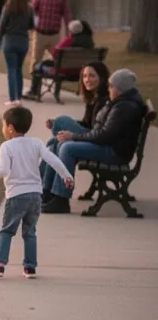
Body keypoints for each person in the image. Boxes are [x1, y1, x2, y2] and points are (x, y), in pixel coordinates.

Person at [0, 106, 73, 279]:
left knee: (7, 230)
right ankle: (30, 267)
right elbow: (53, 159)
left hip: (16, 195)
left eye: (3, 126)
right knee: (30, 232)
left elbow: (2, 170)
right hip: (35, 195)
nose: (3, 129)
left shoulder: (7, 147)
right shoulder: (36, 143)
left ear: (11, 128)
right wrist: (66, 175)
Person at [41, 69, 148, 214]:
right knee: (58, 143)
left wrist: (74, 136)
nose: (109, 89)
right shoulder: (121, 102)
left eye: (112, 86)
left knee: (66, 148)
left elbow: (104, 135)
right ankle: (48, 192)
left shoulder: (124, 107)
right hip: (111, 146)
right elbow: (103, 132)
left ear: (120, 89)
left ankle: (61, 199)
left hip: (114, 152)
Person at [26, 19, 94, 99]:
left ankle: (33, 91)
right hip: (81, 70)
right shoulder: (90, 42)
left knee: (37, 66)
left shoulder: (69, 40)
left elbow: (55, 53)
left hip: (64, 70)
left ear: (71, 30)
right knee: (44, 64)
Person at [0, 0, 34, 106]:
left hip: (10, 40)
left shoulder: (7, 8)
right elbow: (31, 25)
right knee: (19, 69)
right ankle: (18, 97)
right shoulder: (29, 8)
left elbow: (1, 26)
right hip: (23, 41)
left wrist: (4, 32)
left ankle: (12, 98)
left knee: (11, 69)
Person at [29, 0, 71, 64]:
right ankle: (35, 78)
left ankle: (55, 77)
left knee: (57, 60)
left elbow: (66, 14)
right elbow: (31, 12)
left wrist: (69, 30)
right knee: (35, 60)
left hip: (54, 35)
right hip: (40, 33)